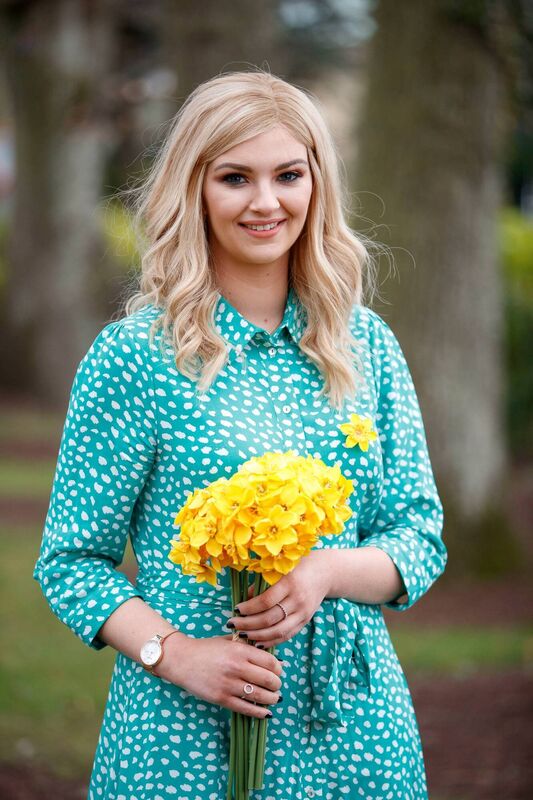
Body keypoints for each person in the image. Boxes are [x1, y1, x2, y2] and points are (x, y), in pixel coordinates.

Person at [34, 70, 447, 800]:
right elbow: (70, 563)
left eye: (288, 175)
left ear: (316, 184)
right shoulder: (135, 357)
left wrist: (325, 573)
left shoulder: (365, 345)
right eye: (234, 177)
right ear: (195, 189)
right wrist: (178, 653)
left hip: (354, 729)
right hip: (181, 730)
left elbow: (417, 534)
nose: (266, 202)